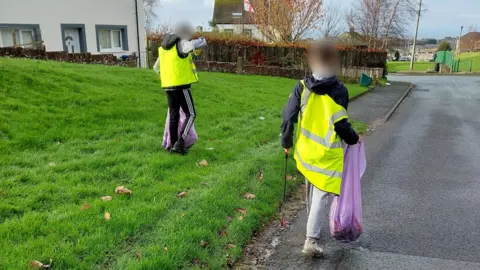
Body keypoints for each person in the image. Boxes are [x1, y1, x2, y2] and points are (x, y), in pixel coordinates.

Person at [280, 41, 361, 257]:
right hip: (326, 155)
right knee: (320, 196)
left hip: (306, 152)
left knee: (311, 188)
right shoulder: (339, 91)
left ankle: (311, 225)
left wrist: (286, 142)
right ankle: (311, 240)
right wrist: (354, 139)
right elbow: (341, 125)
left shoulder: (302, 86)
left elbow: (288, 116)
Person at [153, 22, 207, 155]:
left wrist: (166, 76)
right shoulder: (181, 44)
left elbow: (155, 67)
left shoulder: (164, 48)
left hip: (167, 86)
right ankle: (180, 143)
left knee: (174, 116)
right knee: (191, 114)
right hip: (181, 85)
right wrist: (202, 40)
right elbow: (195, 44)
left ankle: (172, 145)